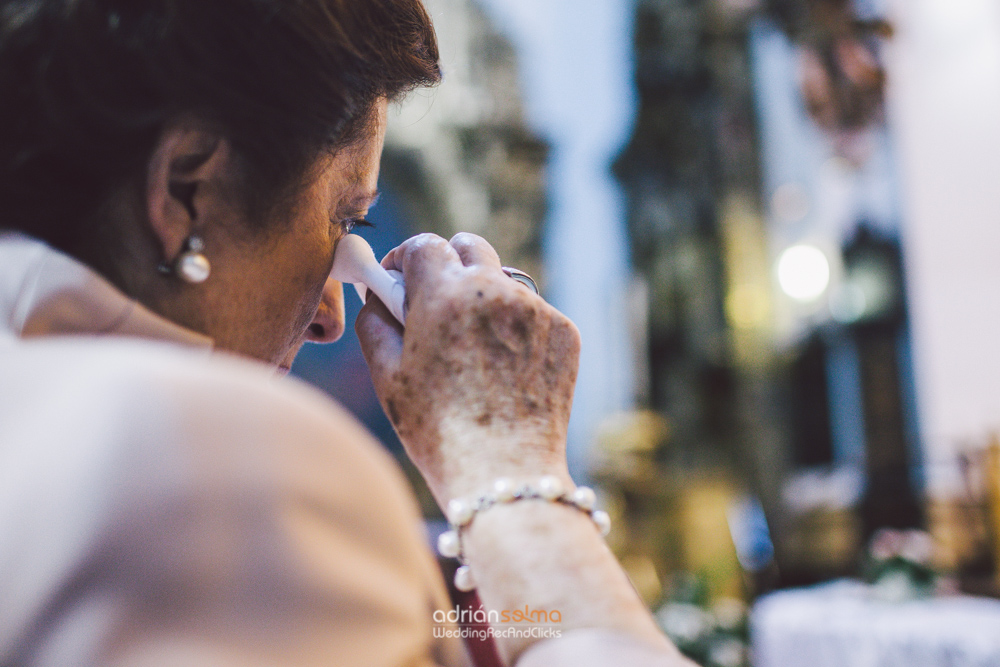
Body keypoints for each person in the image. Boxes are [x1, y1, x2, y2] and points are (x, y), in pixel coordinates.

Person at [0, 1, 691, 665]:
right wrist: (513, 471)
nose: (333, 317)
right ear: (187, 192)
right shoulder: (230, 475)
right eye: (343, 220)